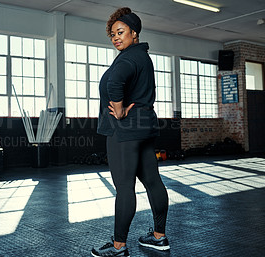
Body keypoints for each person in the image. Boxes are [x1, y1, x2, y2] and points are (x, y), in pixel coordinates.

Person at [91, 7, 170, 257]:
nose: (115, 37)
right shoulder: (142, 56)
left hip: (125, 129)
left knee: (125, 187)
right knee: (152, 180)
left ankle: (118, 246)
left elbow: (115, 83)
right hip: (145, 126)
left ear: (134, 33)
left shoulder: (127, 58)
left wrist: (119, 109)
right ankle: (158, 237)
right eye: (112, 34)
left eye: (121, 32)